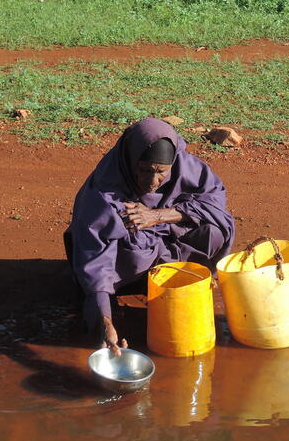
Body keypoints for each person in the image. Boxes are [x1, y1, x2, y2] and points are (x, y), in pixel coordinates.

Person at [65, 118, 235, 355]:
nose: (152, 182)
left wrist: (158, 216)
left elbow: (215, 203)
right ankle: (120, 290)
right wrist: (104, 320)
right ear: (132, 161)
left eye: (161, 173)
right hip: (126, 263)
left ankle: (172, 278)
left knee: (214, 231)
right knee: (133, 250)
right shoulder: (106, 189)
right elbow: (96, 255)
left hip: (164, 234)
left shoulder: (185, 166)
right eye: (144, 170)